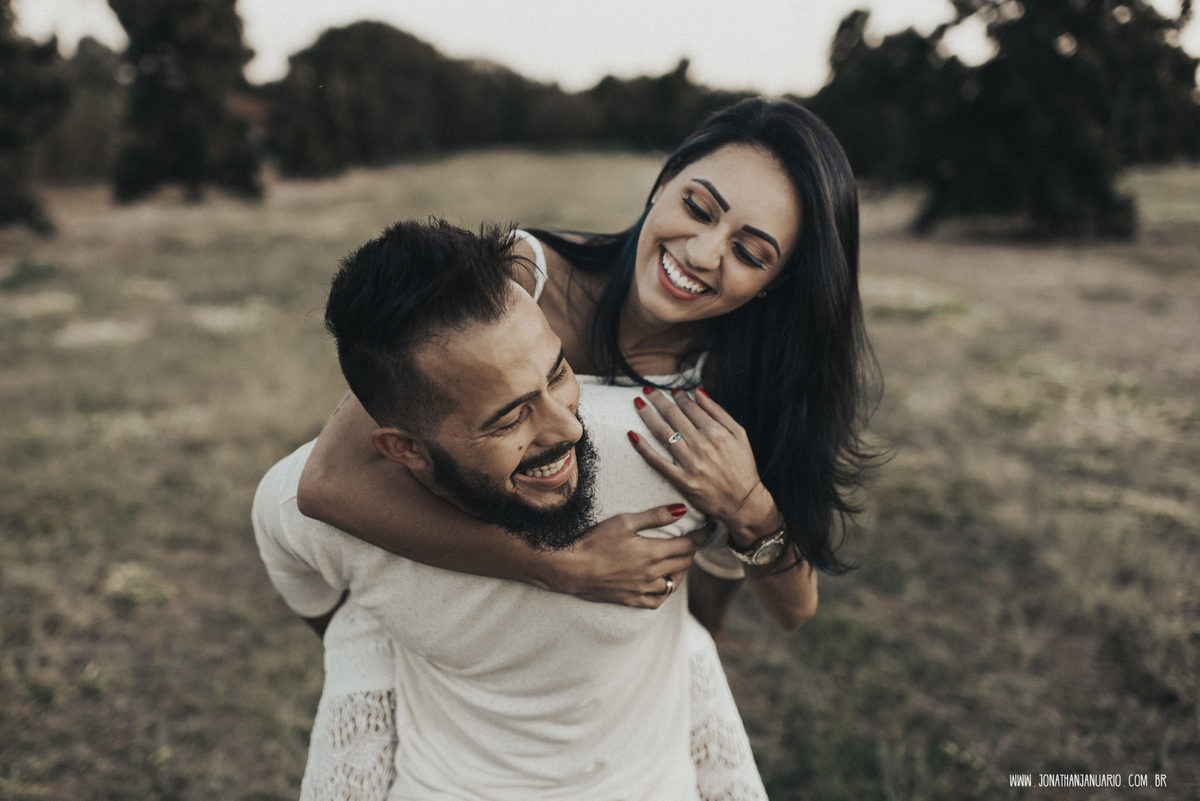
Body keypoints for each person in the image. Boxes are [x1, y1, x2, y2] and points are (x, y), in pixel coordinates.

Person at [254, 219, 771, 800]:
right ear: (403, 449)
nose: (568, 425)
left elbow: (322, 609)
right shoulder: (325, 514)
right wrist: (558, 565)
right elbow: (727, 575)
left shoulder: (657, 455)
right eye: (509, 417)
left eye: (559, 372)